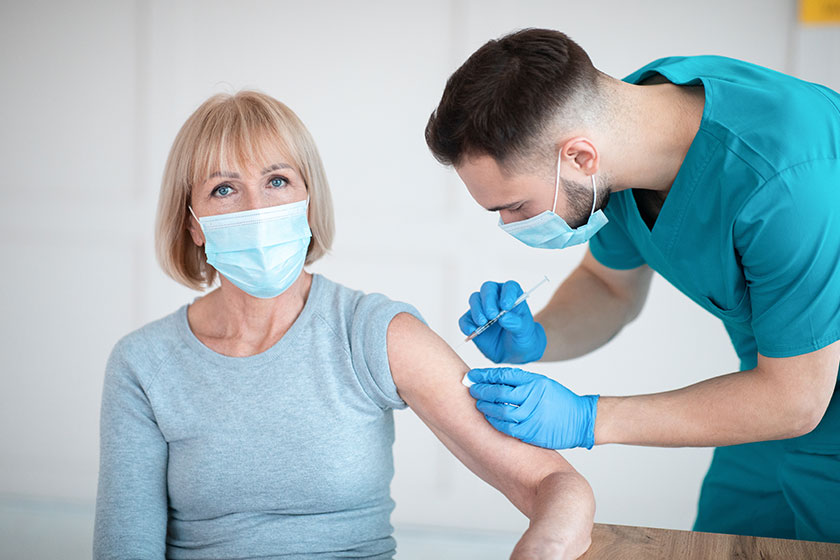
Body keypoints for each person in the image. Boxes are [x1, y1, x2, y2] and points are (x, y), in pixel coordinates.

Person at [93, 90, 595, 559]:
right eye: (224, 189)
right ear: (193, 225)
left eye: (277, 181)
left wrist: (546, 545)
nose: (256, 209)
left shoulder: (373, 333)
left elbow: (551, 482)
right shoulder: (144, 363)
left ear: (308, 203)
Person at [424, 28, 840, 542]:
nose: (511, 226)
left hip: (802, 396)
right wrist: (537, 336)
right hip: (765, 400)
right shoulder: (625, 133)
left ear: (578, 157)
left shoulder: (785, 183)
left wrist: (588, 419)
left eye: (515, 205)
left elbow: (796, 400)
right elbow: (608, 287)